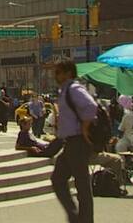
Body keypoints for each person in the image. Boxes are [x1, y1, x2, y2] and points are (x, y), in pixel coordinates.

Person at [49, 59, 98, 223]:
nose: (55, 75)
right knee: (59, 179)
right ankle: (75, 217)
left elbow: (91, 106)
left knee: (81, 184)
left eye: (58, 72)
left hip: (78, 141)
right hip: (70, 142)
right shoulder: (64, 90)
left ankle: (84, 219)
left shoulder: (74, 88)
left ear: (68, 73)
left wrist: (84, 128)